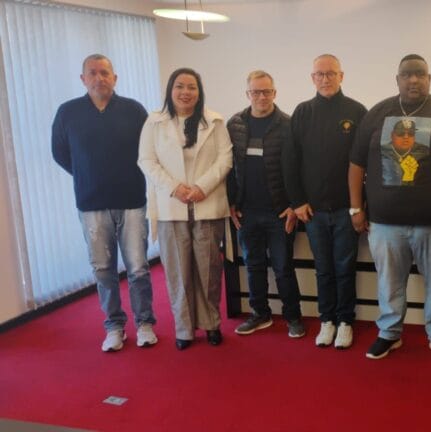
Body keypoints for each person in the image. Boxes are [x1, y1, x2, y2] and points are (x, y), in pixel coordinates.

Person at [349, 54, 431, 363]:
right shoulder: (378, 113)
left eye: (420, 74)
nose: (413, 80)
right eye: (407, 74)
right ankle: (389, 332)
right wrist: (355, 208)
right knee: (389, 284)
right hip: (385, 223)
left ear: (429, 79)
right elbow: (356, 163)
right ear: (397, 80)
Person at [52, 54, 157, 352]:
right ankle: (114, 326)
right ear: (83, 79)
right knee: (102, 270)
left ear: (115, 78)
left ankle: (145, 323)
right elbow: (60, 152)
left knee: (138, 268)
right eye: (92, 73)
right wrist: (86, 174)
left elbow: (148, 151)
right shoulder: (68, 112)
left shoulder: (133, 110)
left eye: (105, 73)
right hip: (91, 204)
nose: (99, 78)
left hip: (132, 201)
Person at [138, 68, 232, 351]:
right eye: (180, 86)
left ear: (199, 92)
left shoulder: (214, 121)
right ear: (170, 90)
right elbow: (147, 161)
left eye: (192, 87)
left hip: (207, 204)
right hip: (171, 207)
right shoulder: (154, 122)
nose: (185, 92)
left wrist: (202, 187)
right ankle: (184, 328)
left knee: (208, 270)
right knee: (178, 273)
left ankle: (212, 323)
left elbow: (225, 159)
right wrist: (174, 188)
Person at [283, 54, 367, 349]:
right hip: (313, 212)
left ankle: (345, 321)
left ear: (342, 76)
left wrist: (360, 207)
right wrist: (297, 202)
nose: (325, 79)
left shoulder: (357, 111)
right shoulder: (302, 112)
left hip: (346, 209)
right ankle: (327, 319)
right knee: (323, 269)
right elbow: (290, 161)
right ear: (312, 78)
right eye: (319, 74)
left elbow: (366, 162)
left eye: (331, 73)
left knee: (345, 268)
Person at [227, 71, 305, 338]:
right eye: (256, 92)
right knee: (253, 266)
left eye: (266, 91)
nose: (261, 97)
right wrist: (231, 203)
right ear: (247, 94)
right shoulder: (235, 125)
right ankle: (260, 314)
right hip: (246, 212)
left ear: (275, 93)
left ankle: (293, 317)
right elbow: (229, 167)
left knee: (283, 268)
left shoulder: (287, 125)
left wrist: (294, 205)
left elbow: (297, 168)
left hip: (279, 212)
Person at [381, 119, 430, 186]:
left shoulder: (424, 153)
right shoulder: (382, 152)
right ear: (392, 135)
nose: (406, 137)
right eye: (401, 133)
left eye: (411, 133)